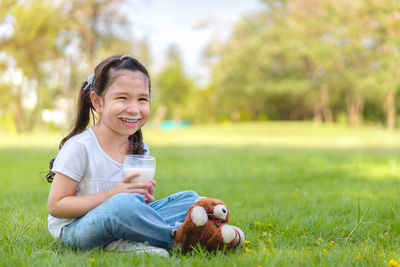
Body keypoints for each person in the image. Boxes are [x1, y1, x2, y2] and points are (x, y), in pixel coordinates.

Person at [46, 55, 199, 256]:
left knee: (190, 200)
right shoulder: (80, 147)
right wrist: (112, 195)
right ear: (97, 102)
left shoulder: (140, 148)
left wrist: (144, 202)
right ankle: (188, 239)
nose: (134, 109)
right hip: (76, 230)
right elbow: (56, 206)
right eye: (122, 98)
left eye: (142, 99)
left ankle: (128, 242)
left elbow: (133, 207)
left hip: (122, 216)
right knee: (122, 205)